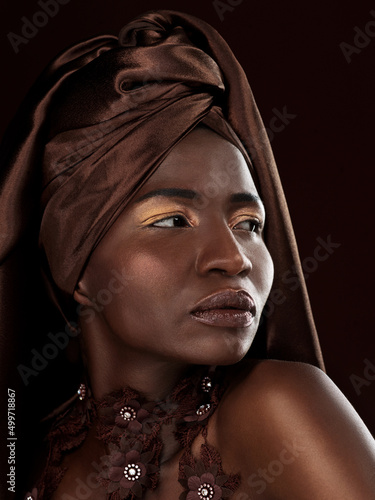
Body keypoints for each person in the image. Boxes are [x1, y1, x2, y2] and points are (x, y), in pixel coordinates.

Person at [0, 9, 374, 500]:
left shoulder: (277, 408)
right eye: (173, 220)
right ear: (76, 265)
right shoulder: (28, 448)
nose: (235, 258)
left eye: (249, 225)